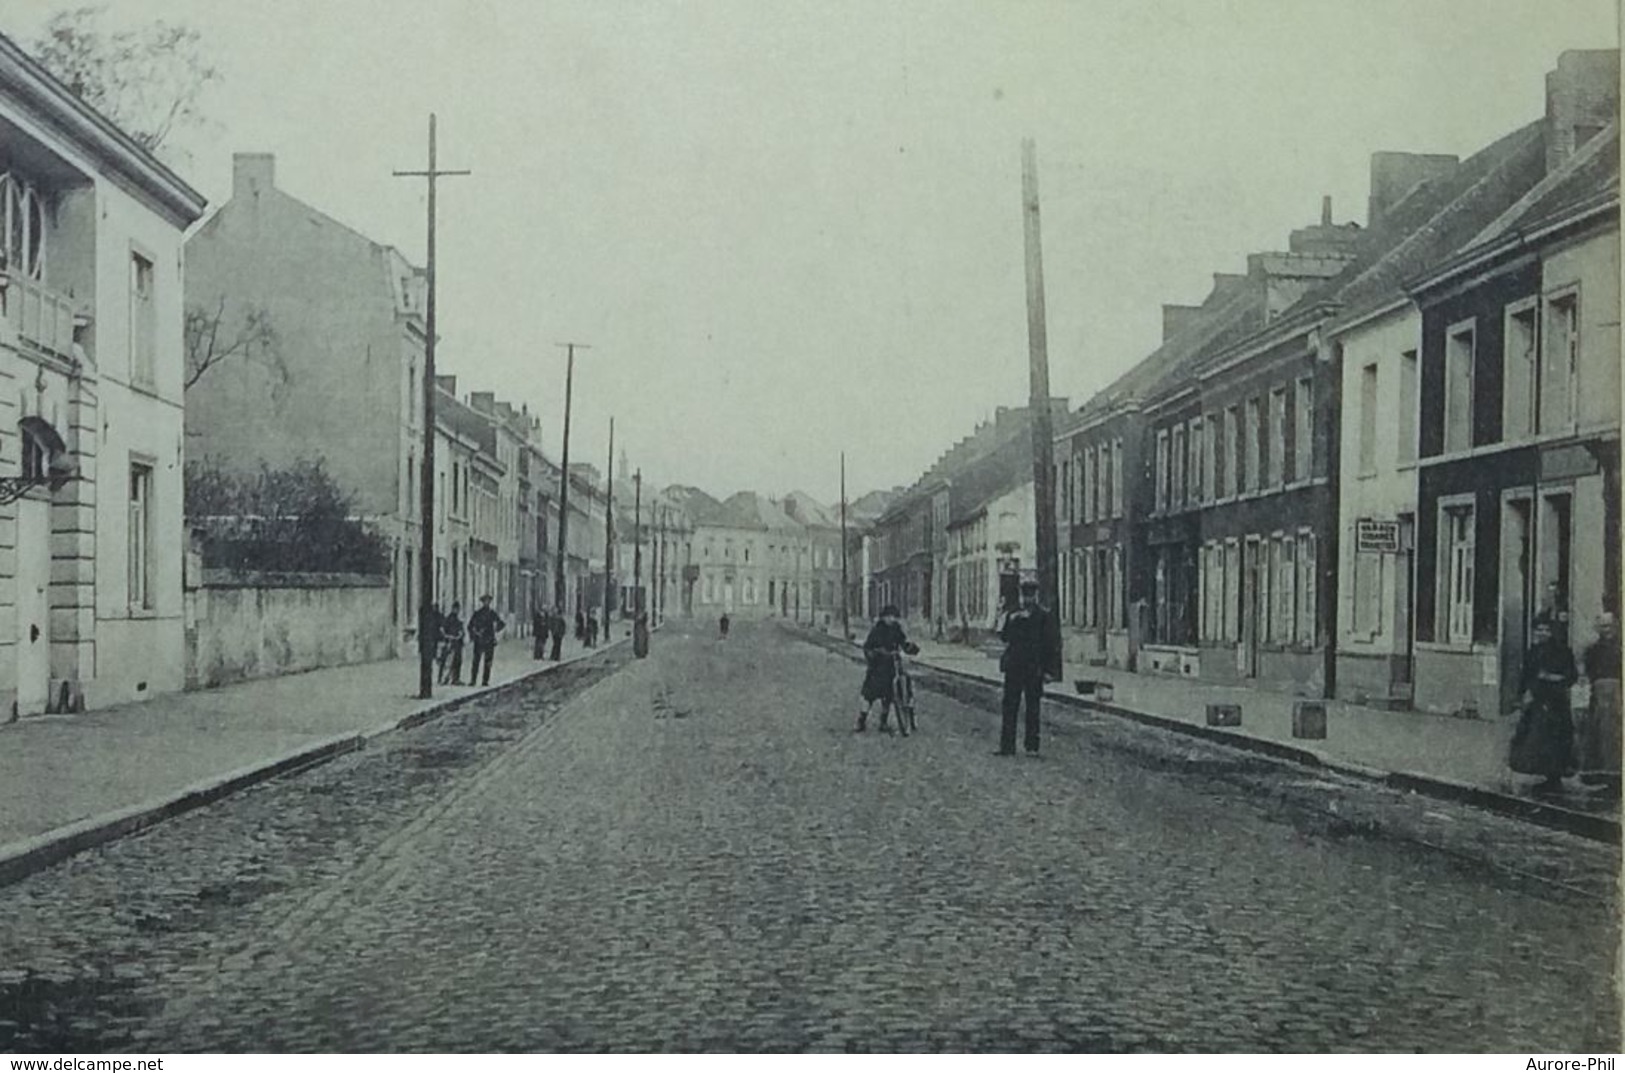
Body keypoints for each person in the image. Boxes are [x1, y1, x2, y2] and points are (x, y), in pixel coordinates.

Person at [1510, 617, 1578, 792]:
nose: (1542, 634)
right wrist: (1520, 695)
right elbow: (1525, 675)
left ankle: (1555, 776)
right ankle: (1543, 773)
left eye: (1546, 630)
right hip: (1536, 700)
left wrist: (1553, 678)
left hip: (1556, 702)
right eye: (1539, 630)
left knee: (1555, 738)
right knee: (1535, 739)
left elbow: (1571, 676)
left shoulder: (1562, 651)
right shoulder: (1533, 651)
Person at [996, 578, 1062, 756]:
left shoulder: (1043, 616)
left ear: (1036, 596)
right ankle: (1007, 746)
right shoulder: (1013, 614)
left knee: (1033, 707)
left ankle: (1032, 746)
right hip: (1014, 667)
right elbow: (1004, 638)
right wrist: (1011, 620)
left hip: (1034, 668)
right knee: (1010, 706)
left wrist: (1050, 671)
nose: (1028, 599)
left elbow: (1051, 645)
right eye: (1025, 595)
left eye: (1031, 595)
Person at [1578, 612, 1621, 793]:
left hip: (1619, 695)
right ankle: (1606, 775)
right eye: (1603, 627)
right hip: (1600, 695)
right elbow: (1587, 672)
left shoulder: (1620, 648)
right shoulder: (1593, 650)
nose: (1607, 630)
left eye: (1609, 626)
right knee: (1601, 734)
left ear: (1616, 627)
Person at [857, 605, 909, 735]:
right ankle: (861, 720)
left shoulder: (897, 629)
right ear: (884, 617)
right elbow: (868, 647)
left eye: (894, 617)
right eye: (889, 617)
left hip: (891, 667)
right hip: (877, 668)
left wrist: (910, 648)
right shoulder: (877, 630)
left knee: (888, 696)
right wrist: (874, 654)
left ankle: (883, 722)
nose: (892, 619)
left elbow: (903, 642)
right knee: (869, 695)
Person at [468, 594, 506, 687]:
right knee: (476, 661)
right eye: (485, 601)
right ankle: (473, 680)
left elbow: (501, 624)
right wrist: (474, 634)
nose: (486, 603)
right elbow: (470, 626)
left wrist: (496, 630)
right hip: (479, 640)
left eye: (488, 601)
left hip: (489, 640)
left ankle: (485, 681)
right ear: (482, 602)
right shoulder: (477, 613)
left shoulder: (492, 613)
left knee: (488, 662)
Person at [437, 601, 465, 685]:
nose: (456, 611)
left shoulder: (458, 620)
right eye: (455, 609)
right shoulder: (448, 619)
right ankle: (444, 678)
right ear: (452, 609)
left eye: (458, 609)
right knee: (447, 661)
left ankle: (455, 679)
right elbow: (442, 630)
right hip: (450, 643)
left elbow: (461, 631)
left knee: (457, 661)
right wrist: (448, 636)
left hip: (457, 643)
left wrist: (461, 634)